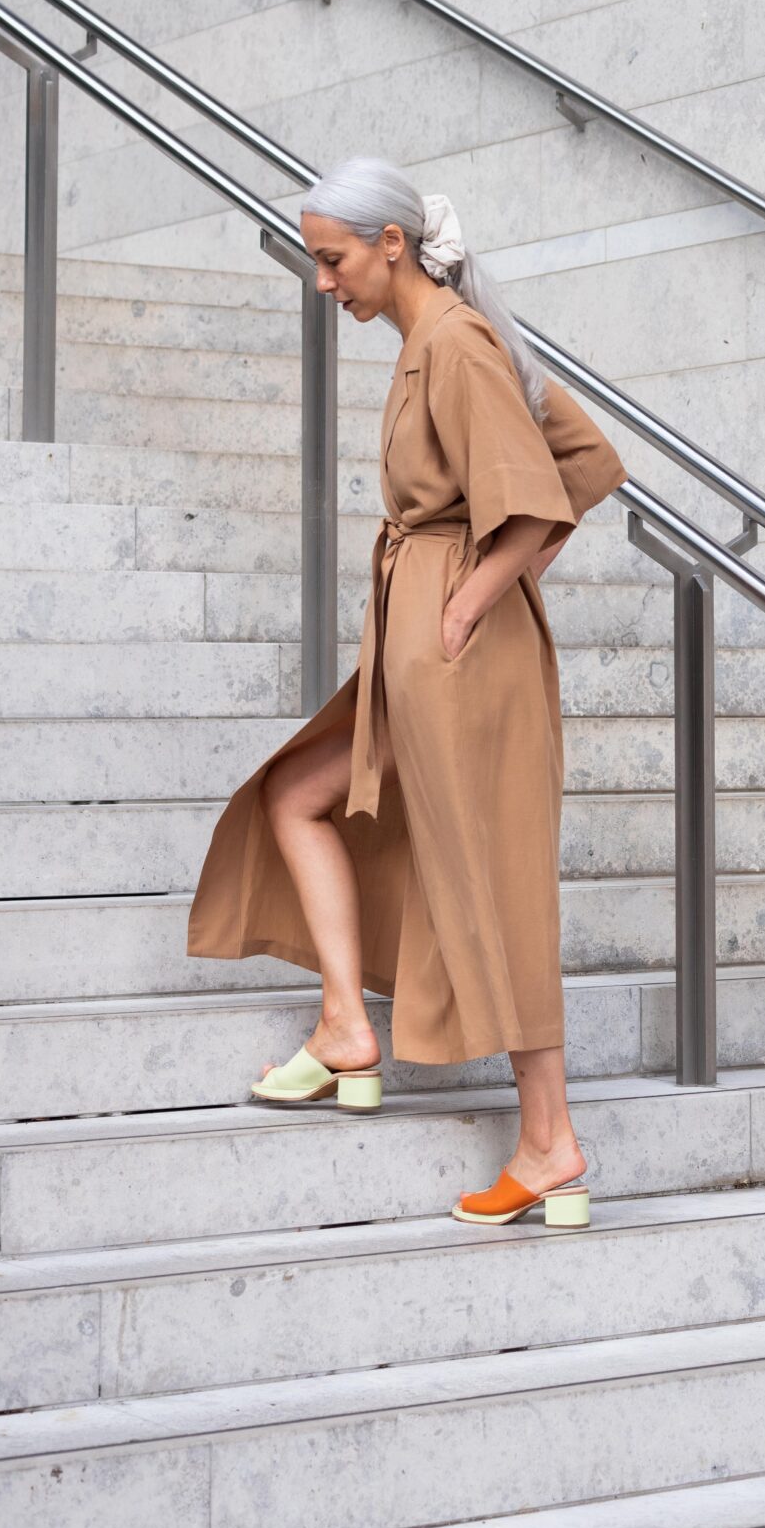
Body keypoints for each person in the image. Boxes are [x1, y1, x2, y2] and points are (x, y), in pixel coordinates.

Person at [187, 158, 625, 1228]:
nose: (323, 283)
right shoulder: (445, 340)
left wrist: (474, 603)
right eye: (315, 262)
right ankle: (347, 1024)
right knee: (295, 795)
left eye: (333, 260)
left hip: (451, 640)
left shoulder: (457, 345)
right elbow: (578, 449)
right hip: (425, 628)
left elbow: (538, 496)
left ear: (393, 245)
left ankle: (551, 1141)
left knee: (495, 874)